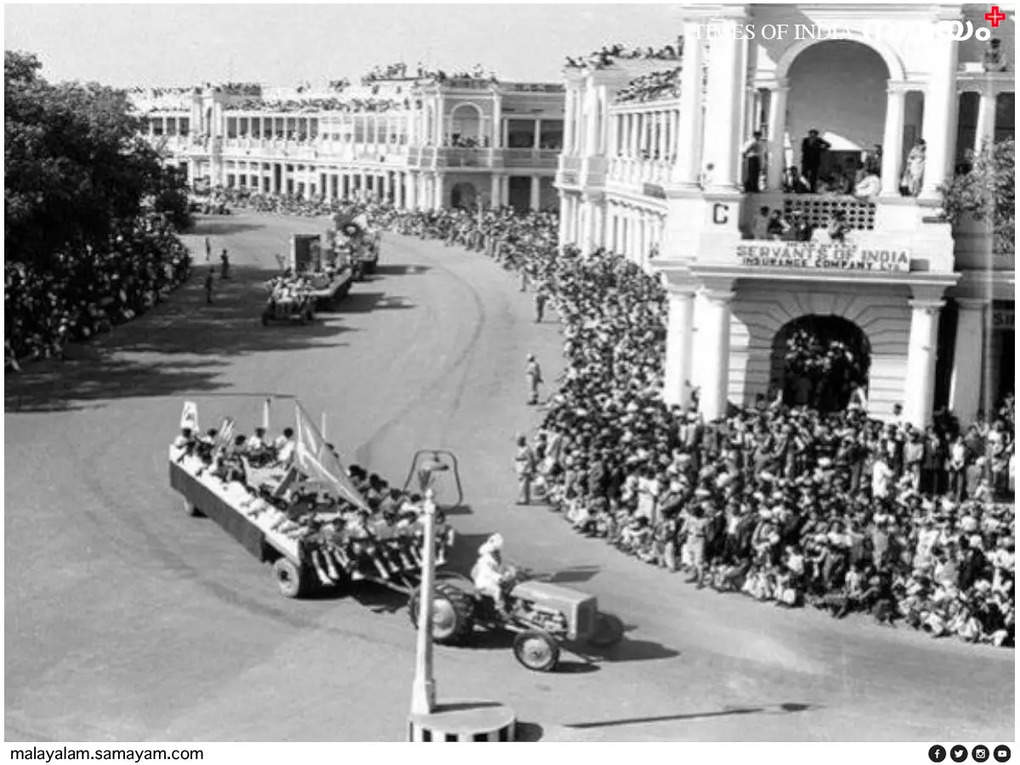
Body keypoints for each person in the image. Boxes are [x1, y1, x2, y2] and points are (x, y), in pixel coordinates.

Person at [471, 533, 511, 616]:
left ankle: (510, 605)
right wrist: (499, 577)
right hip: (485, 581)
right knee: (497, 590)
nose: (497, 553)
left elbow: (502, 567)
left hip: (494, 579)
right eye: (495, 551)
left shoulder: (497, 558)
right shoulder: (485, 560)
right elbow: (488, 572)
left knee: (509, 586)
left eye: (497, 551)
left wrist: (508, 573)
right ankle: (500, 609)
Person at [514, 434, 536, 505]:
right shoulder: (521, 447)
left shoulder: (527, 449)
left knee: (524, 486)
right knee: (522, 485)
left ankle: (524, 500)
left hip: (525, 469)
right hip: (521, 469)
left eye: (518, 441)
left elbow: (530, 459)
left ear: (522, 441)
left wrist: (532, 469)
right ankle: (524, 499)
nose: (517, 442)